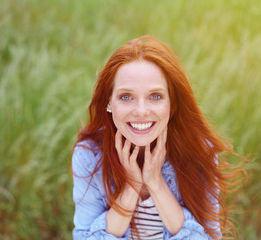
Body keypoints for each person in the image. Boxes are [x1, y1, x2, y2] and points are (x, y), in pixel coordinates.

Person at [71, 35, 244, 239]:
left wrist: (156, 183)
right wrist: (132, 186)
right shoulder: (89, 156)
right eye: (126, 96)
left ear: (172, 103)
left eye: (155, 96)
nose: (141, 111)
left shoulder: (200, 151)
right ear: (109, 102)